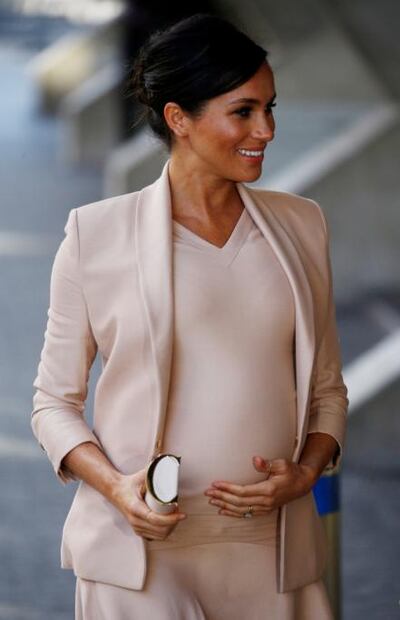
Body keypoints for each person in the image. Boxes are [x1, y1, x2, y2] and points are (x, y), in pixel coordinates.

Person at [31, 13, 348, 619]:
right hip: (141, 556)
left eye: (270, 108)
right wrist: (117, 489)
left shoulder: (303, 225)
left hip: (273, 555)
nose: (267, 130)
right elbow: (53, 404)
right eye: (243, 111)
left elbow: (328, 389)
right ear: (179, 118)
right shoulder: (95, 234)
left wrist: (308, 472)